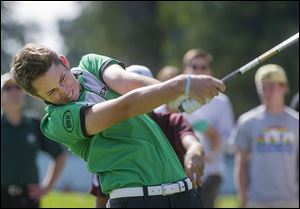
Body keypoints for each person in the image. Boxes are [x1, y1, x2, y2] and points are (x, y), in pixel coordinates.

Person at [10, 44, 225, 208]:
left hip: (183, 193)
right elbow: (124, 108)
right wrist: (181, 85)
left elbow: (128, 82)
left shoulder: (90, 65)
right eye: (51, 93)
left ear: (65, 63)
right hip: (136, 199)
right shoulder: (55, 121)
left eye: (62, 79)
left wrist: (176, 96)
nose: (64, 92)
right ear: (38, 98)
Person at [89, 66, 205, 208]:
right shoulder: (109, 135)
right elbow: (102, 197)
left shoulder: (172, 121)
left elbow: (192, 142)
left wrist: (194, 151)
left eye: (142, 92)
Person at [231, 64, 299, 208]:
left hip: (291, 200)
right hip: (257, 201)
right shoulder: (247, 122)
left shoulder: (296, 122)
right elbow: (240, 164)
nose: (267, 91)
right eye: (263, 86)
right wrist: (243, 196)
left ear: (284, 88)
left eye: (273, 86)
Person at [1, 72, 67, 208]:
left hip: (29, 199)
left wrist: (48, 186)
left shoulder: (35, 124)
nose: (14, 91)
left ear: (24, 94)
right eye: (7, 88)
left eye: (18, 87)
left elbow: (60, 155)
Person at [182, 49, 235, 208]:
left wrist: (209, 154)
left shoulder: (222, 101)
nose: (199, 70)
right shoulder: (175, 99)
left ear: (210, 70)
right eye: (194, 66)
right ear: (185, 69)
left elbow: (227, 138)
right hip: (180, 172)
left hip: (211, 172)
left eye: (203, 67)